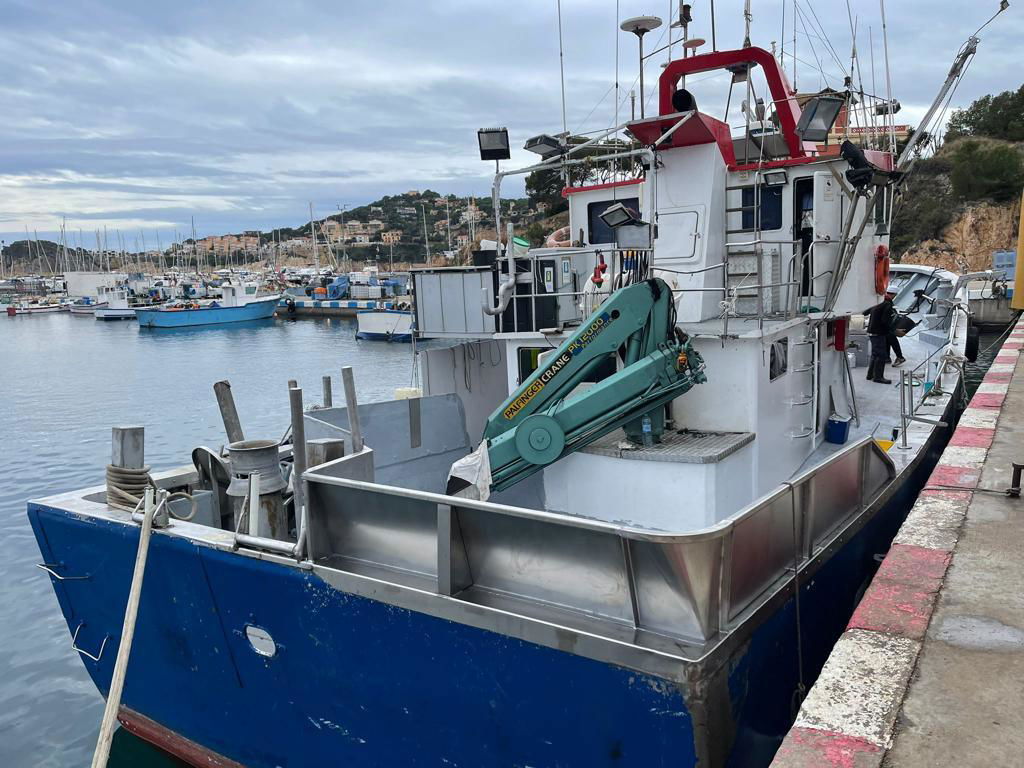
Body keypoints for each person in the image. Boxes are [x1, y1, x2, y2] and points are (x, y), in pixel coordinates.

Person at [865, 291, 898, 384]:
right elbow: (885, 321)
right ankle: (878, 377)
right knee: (881, 355)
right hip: (879, 333)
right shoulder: (887, 304)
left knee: (875, 354)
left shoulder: (877, 302)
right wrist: (893, 330)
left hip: (871, 331)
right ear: (893, 295)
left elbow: (865, 312)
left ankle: (870, 374)